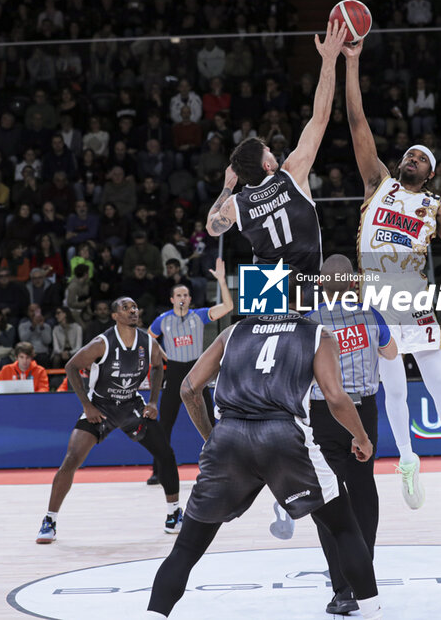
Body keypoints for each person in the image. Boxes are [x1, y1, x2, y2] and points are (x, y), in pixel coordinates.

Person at [145, 282, 382, 620]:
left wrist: (211, 438)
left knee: (186, 548)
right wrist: (361, 437)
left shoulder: (233, 332)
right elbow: (334, 396)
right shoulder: (317, 334)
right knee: (344, 527)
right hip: (283, 435)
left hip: (229, 438)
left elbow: (188, 388)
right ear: (297, 301)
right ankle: (373, 612)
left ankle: (154, 615)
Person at [343, 38, 441, 506]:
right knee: (394, 392)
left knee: (440, 389)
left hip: (414, 304)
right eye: (409, 154)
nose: (412, 159)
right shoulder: (378, 184)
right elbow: (356, 123)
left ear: (430, 174)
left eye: (421, 159)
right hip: (377, 304)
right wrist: (352, 65)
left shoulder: (434, 206)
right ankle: (407, 462)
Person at [271, 255, 397, 616]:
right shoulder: (371, 314)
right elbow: (391, 353)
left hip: (323, 414)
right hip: (363, 411)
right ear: (355, 282)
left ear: (322, 285)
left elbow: (291, 374)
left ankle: (342, 590)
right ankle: (363, 575)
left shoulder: (308, 322)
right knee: (363, 492)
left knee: (328, 499)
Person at [205, 21, 348, 275]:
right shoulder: (292, 174)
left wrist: (228, 186)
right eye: (267, 150)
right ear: (267, 165)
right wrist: (328, 59)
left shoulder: (236, 204)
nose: (271, 147)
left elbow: (211, 228)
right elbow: (321, 117)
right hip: (305, 284)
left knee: (249, 317)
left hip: (264, 287)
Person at [36, 297, 179, 543]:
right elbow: (71, 366)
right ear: (115, 316)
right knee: (71, 460)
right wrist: (87, 405)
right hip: (101, 407)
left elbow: (157, 367)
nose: (133, 310)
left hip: (131, 405)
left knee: (165, 453)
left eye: (135, 307)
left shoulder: (148, 341)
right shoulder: (102, 343)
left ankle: (174, 513)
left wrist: (154, 401)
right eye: (126, 308)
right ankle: (49, 520)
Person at [144, 258, 232, 496]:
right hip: (173, 373)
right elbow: (148, 339)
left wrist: (222, 281)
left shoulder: (199, 315)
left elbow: (227, 308)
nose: (182, 298)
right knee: (164, 426)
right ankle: (157, 471)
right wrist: (163, 356)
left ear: (190, 299)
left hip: (196, 373)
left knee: (209, 423)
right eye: (178, 295)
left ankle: (220, 467)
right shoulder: (162, 320)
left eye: (186, 295)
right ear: (172, 299)